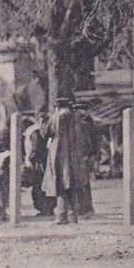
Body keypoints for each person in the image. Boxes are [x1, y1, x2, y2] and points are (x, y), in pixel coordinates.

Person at [41, 96, 91, 225]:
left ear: (57, 108)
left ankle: (62, 216)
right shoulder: (76, 118)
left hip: (59, 156)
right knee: (72, 185)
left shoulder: (56, 118)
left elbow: (46, 133)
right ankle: (73, 215)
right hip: (75, 156)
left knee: (60, 184)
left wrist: (44, 121)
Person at [71, 101, 97, 218]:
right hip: (88, 156)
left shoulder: (82, 124)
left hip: (83, 157)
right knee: (84, 183)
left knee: (81, 183)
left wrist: (86, 155)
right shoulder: (89, 122)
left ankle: (84, 210)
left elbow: (86, 142)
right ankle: (86, 209)